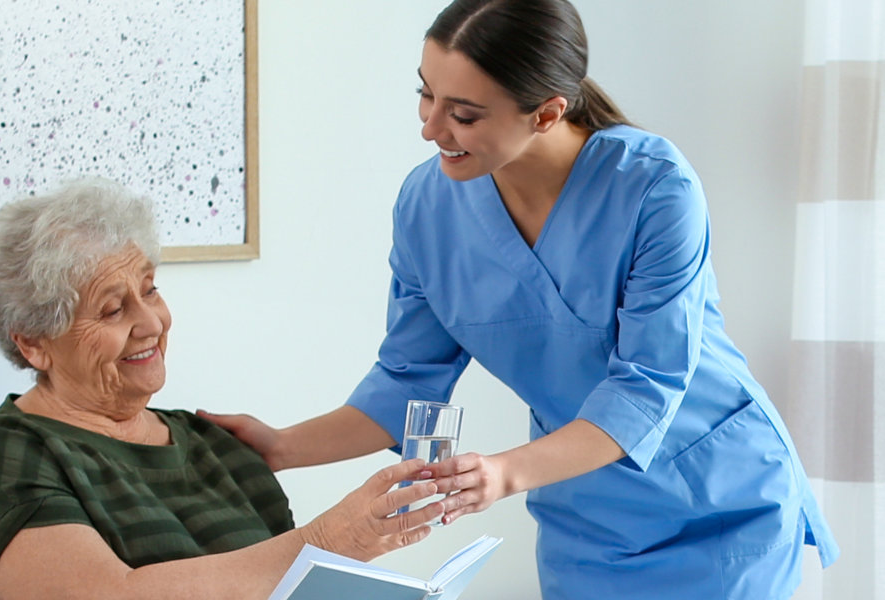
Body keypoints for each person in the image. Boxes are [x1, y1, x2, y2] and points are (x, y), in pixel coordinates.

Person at [198, 1, 839, 598]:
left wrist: (501, 474)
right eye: (424, 93)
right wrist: (280, 447)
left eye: (463, 114)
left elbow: (645, 389)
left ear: (547, 112)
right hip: (581, 513)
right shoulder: (428, 207)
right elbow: (404, 384)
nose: (429, 128)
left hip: (719, 506)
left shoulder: (654, 188)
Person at [0, 177, 445, 600]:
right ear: (34, 343)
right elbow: (111, 596)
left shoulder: (217, 448)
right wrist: (330, 542)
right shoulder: (1, 458)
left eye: (150, 290)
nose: (151, 322)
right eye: (112, 309)